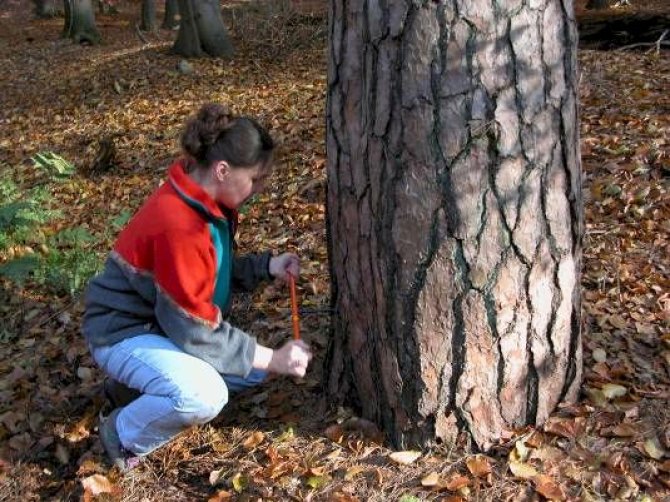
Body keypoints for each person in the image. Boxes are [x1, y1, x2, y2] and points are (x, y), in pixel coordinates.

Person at [82, 103, 313, 471]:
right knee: (204, 394)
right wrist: (275, 357)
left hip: (162, 326)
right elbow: (193, 328)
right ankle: (121, 435)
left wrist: (266, 267)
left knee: (251, 369)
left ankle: (131, 391)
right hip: (122, 333)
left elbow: (208, 270)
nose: (260, 188)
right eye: (255, 179)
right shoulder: (179, 222)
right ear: (222, 170)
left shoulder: (207, 203)